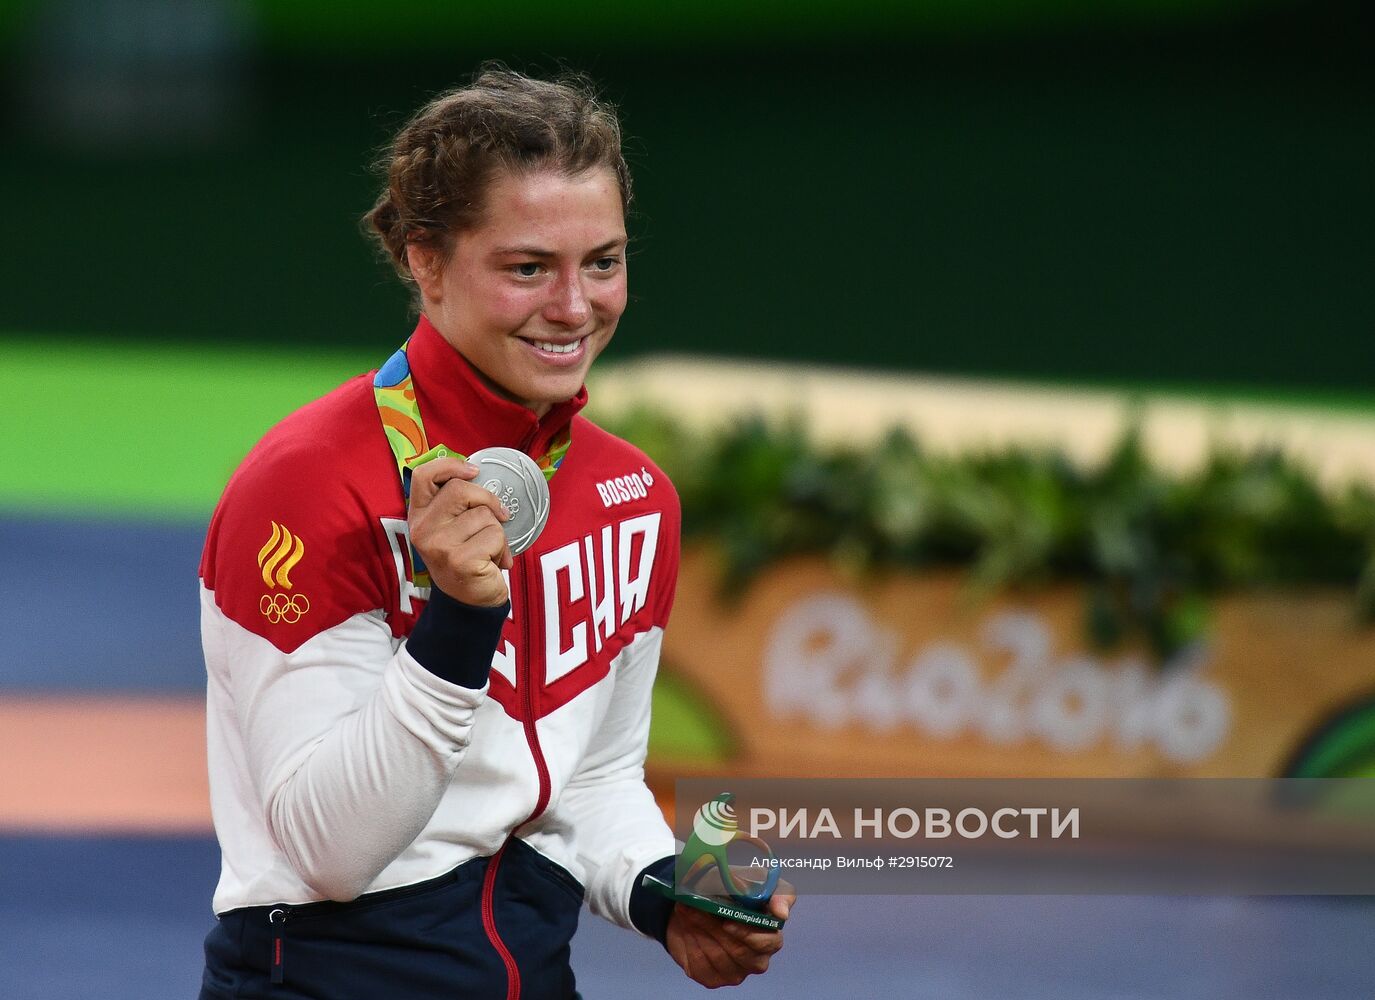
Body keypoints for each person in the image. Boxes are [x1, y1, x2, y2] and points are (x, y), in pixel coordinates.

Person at [196, 66, 791, 999]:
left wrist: (663, 888)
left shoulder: (632, 494)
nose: (573, 307)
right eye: (527, 268)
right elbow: (328, 852)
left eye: (602, 260)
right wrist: (458, 623)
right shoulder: (310, 483)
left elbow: (589, 780)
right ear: (424, 261)